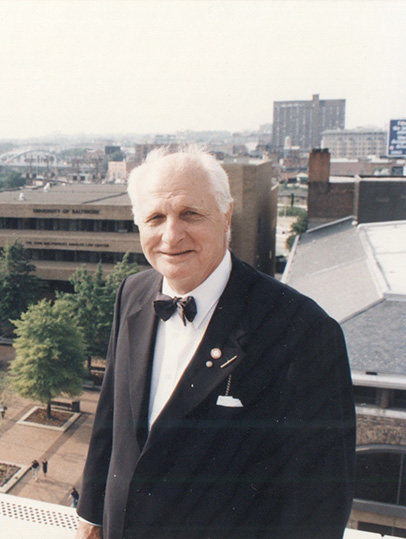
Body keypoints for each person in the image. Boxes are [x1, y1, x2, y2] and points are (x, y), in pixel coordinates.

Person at [75, 147, 355, 539]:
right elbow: (111, 416)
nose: (171, 235)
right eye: (155, 217)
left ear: (226, 216)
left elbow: (319, 501)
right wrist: (91, 516)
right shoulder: (133, 294)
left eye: (190, 213)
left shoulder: (304, 330)